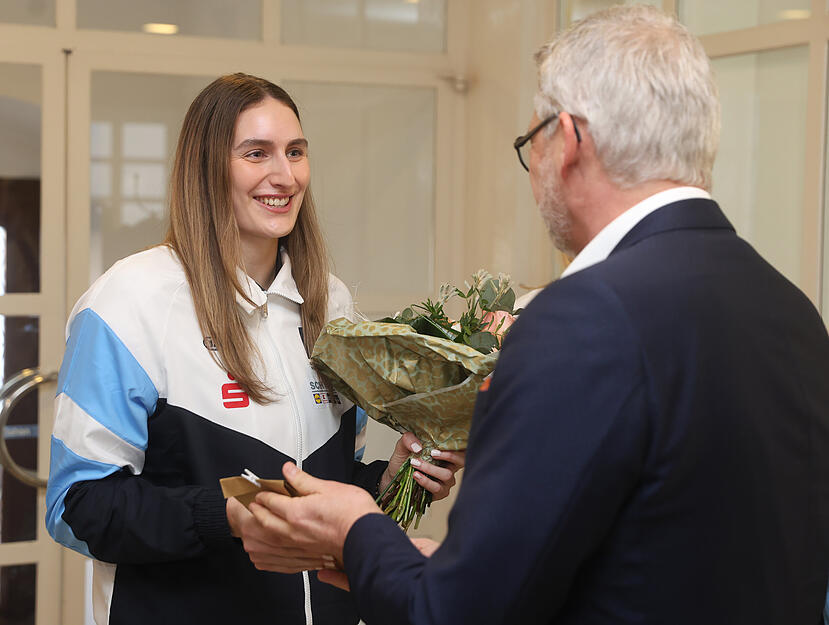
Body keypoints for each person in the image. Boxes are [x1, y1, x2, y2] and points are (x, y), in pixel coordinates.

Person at [242, 7, 829, 625]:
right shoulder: (791, 312)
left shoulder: (583, 319)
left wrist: (359, 530)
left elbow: (457, 614)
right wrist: (448, 567)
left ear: (569, 139)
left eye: (531, 144)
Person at [44, 73, 463, 625]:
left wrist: (388, 481)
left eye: (295, 152)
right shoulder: (130, 302)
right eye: (256, 153)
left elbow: (326, 489)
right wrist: (231, 517)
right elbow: (79, 509)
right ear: (207, 167)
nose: (284, 175)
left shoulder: (330, 304)